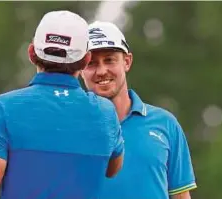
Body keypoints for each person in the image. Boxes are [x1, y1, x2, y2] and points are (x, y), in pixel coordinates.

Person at [0, 12, 124, 199]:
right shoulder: (105, 112)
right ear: (86, 59)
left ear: (32, 53)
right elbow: (112, 169)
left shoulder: (3, 108)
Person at [81, 21, 197, 199]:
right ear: (81, 69)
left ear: (127, 62)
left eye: (109, 60)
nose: (102, 70)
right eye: (92, 63)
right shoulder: (71, 126)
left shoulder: (166, 124)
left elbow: (181, 196)